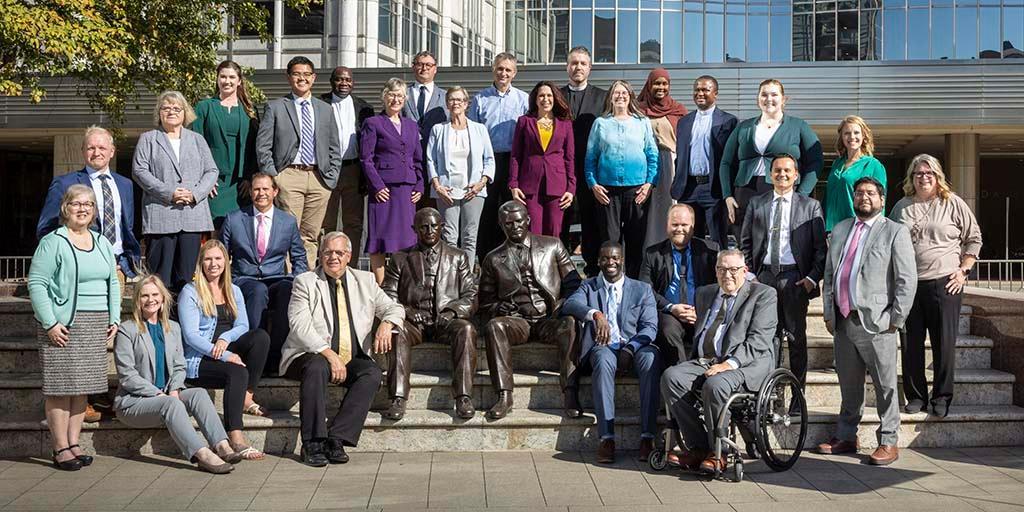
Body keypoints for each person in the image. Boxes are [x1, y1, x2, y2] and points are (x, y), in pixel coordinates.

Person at [281, 232, 405, 467]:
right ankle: (313, 443)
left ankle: (336, 439)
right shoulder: (305, 282)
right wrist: (329, 354)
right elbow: (299, 326)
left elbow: (394, 308)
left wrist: (387, 324)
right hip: (309, 353)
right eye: (328, 252)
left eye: (339, 253)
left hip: (351, 355)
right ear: (320, 255)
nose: (333, 257)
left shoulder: (366, 281)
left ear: (349, 256)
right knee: (317, 366)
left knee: (372, 373)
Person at [817, 176, 916, 466]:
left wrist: (895, 319)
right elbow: (829, 275)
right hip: (844, 320)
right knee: (849, 385)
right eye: (859, 193)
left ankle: (888, 440)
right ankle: (847, 436)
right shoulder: (841, 228)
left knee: (885, 386)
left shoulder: (894, 232)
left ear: (881, 199)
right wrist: (828, 312)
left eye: (870, 193)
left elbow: (906, 280)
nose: (864, 197)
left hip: (877, 323)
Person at [660, 249, 778, 473]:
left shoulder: (764, 295)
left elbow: (759, 341)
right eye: (722, 269)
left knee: (716, 385)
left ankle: (719, 453)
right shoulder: (705, 293)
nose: (728, 275)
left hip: (746, 363)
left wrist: (728, 364)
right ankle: (699, 447)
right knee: (671, 378)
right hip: (708, 360)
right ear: (715, 271)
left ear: (745, 271)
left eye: (734, 270)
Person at [29, 184, 120, 471]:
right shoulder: (53, 241)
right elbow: (37, 284)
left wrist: (114, 318)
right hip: (63, 324)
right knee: (60, 389)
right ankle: (59, 448)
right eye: (76, 204)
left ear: (94, 211)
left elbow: (113, 282)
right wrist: (50, 323)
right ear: (65, 208)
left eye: (88, 205)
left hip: (95, 324)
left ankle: (74, 443)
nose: (82, 209)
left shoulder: (101, 241)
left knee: (82, 389)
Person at [114, 275, 243, 474]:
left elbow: (179, 366)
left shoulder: (173, 328)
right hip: (134, 402)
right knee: (171, 403)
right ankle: (202, 454)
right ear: (137, 300)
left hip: (166, 395)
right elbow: (127, 375)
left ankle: (222, 446)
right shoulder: (127, 330)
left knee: (198, 393)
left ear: (163, 298)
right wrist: (159, 394)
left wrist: (174, 388)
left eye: (155, 294)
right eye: (145, 296)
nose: (151, 300)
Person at [890, 154, 981, 417]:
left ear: (938, 176)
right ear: (911, 177)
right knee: (910, 343)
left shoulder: (952, 203)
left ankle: (942, 397)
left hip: (945, 284)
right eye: (918, 173)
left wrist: (964, 270)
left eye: (929, 173)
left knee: (943, 344)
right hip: (908, 285)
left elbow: (974, 238)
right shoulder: (901, 207)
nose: (924, 177)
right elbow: (889, 243)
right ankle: (916, 396)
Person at [479, 201, 582, 419]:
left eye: (518, 221)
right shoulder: (493, 258)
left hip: (550, 317)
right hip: (518, 321)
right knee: (494, 326)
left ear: (528, 220)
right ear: (500, 225)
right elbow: (484, 302)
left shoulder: (553, 245)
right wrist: (499, 306)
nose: (514, 226)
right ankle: (504, 395)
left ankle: (571, 391)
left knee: (571, 324)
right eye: (508, 223)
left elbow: (573, 284)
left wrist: (563, 304)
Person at [739, 154, 826, 407]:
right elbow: (745, 242)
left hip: (794, 279)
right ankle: (769, 398)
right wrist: (751, 275)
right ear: (770, 174)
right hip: (763, 278)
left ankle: (797, 400)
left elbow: (821, 249)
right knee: (767, 340)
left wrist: (811, 278)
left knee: (796, 340)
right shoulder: (758, 203)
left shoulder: (810, 206)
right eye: (777, 170)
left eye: (788, 170)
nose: (782, 174)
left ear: (796, 175)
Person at [562, 242, 660, 464]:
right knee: (603, 359)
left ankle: (647, 437)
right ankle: (606, 438)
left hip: (636, 346)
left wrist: (630, 348)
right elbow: (570, 304)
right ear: (598, 262)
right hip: (605, 347)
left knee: (650, 359)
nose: (610, 263)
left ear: (622, 260)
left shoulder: (641, 289)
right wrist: (596, 314)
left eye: (615, 258)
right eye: (605, 259)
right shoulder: (589, 286)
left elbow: (650, 327)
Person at [381, 208, 479, 420]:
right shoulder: (400, 258)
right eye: (424, 226)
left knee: (467, 329)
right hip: (414, 324)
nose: (430, 230)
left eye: (434, 225)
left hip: (446, 323)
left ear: (442, 227)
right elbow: (387, 295)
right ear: (414, 229)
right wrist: (407, 311)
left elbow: (471, 295)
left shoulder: (458, 257)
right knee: (397, 331)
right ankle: (397, 397)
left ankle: (463, 396)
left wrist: (453, 311)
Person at [178, 240, 270, 460]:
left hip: (222, 348)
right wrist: (225, 354)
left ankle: (247, 396)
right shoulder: (190, 292)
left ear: (226, 262)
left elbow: (243, 326)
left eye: (218, 258)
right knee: (238, 371)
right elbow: (191, 337)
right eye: (208, 259)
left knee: (260, 337)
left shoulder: (233, 289)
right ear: (201, 263)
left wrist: (224, 340)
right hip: (200, 360)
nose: (213, 264)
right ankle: (236, 438)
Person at [255, 56, 342, 269]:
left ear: (313, 78)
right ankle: (287, 284)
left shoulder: (325, 109)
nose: (301, 78)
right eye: (296, 74)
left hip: (318, 178)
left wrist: (330, 178)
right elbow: (263, 146)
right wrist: (275, 176)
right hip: (288, 176)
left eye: (306, 74)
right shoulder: (275, 107)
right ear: (289, 77)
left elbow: (334, 146)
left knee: (311, 236)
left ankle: (306, 281)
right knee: (287, 233)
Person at [221, 172, 307, 374]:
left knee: (287, 289)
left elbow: (299, 257)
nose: (261, 193)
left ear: (275, 191)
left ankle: (275, 356)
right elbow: (222, 256)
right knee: (258, 290)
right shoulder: (234, 219)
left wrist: (298, 280)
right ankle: (253, 350)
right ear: (250, 193)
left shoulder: (287, 222)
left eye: (266, 189)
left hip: (277, 277)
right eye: (257, 189)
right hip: (245, 278)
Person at [132, 90, 219, 292]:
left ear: (185, 112)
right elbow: (139, 171)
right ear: (159, 113)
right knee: (160, 280)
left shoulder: (197, 139)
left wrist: (196, 193)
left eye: (176, 108)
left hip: (192, 218)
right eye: (166, 107)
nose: (171, 111)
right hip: (161, 217)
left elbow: (211, 170)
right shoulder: (149, 139)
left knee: (188, 280)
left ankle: (184, 321)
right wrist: (169, 192)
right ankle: (162, 322)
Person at [720, 79, 823, 243]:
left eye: (774, 94)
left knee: (779, 240)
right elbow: (725, 162)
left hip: (782, 190)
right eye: (764, 95)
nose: (769, 99)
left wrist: (801, 195)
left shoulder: (799, 126)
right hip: (745, 192)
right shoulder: (744, 127)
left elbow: (816, 161)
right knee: (746, 242)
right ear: (758, 99)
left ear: (784, 99)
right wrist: (728, 196)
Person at [37, 126, 142, 278]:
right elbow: (46, 229)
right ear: (83, 151)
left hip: (118, 267)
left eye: (102, 148)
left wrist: (126, 262)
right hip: (79, 266)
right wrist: (66, 259)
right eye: (90, 148)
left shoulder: (125, 184)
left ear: (112, 151)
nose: (96, 153)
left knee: (115, 303)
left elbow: (128, 227)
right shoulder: (64, 183)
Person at [584, 79, 660, 278]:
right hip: (607, 192)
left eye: (624, 93)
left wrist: (649, 184)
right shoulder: (601, 123)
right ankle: (611, 280)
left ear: (630, 97)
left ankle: (634, 281)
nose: (620, 96)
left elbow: (653, 155)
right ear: (610, 97)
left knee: (636, 239)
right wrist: (593, 185)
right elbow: (590, 158)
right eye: (616, 93)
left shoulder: (642, 122)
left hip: (637, 191)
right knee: (610, 239)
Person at [360, 78, 424, 283]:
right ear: (384, 97)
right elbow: (366, 159)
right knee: (379, 239)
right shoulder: (372, 123)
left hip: (407, 191)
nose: (395, 99)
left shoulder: (412, 126)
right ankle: (381, 287)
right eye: (392, 94)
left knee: (406, 240)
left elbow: (418, 159)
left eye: (400, 96)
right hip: (383, 191)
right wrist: (377, 186)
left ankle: (402, 285)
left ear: (405, 100)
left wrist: (420, 185)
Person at [639, 204, 718, 367]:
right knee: (668, 331)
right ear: (667, 225)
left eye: (684, 225)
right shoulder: (653, 253)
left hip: (702, 311)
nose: (679, 229)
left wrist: (702, 309)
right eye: (675, 224)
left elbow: (719, 285)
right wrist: (671, 307)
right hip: (670, 312)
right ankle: (681, 375)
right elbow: (645, 289)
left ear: (693, 226)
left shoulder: (710, 250)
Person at [469, 52, 530, 260]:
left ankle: (514, 258)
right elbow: (472, 134)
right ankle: (486, 260)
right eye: (500, 68)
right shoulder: (479, 99)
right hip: (487, 161)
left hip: (513, 160)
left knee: (512, 210)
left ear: (514, 73)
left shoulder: (524, 99)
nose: (503, 73)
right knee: (487, 211)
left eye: (508, 69)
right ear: (493, 69)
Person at [426, 86, 495, 267]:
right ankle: (450, 277)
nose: (455, 103)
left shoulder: (479, 129)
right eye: (451, 99)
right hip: (446, 191)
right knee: (449, 236)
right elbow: (430, 160)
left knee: (470, 237)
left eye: (459, 100)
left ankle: (467, 279)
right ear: (447, 104)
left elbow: (489, 159)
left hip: (473, 190)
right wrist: (437, 186)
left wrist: (482, 182)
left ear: (466, 104)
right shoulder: (438, 130)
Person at [670, 76, 738, 245]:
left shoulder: (729, 121)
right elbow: (681, 155)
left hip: (713, 188)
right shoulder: (684, 122)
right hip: (688, 189)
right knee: (690, 239)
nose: (700, 93)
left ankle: (717, 271)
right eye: (697, 89)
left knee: (717, 240)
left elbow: (732, 160)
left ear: (715, 94)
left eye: (705, 90)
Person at [191, 60, 259, 228]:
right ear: (217, 79)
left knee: (241, 232)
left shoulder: (250, 111)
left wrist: (250, 178)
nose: (227, 81)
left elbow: (255, 148)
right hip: (215, 183)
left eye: (231, 77)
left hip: (242, 185)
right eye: (223, 77)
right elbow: (194, 144)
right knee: (217, 230)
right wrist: (205, 179)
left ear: (239, 81)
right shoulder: (204, 107)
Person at [560, 46, 607, 276]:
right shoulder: (554, 95)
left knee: (592, 223)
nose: (577, 67)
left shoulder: (603, 96)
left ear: (590, 67)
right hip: (560, 170)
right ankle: (558, 273)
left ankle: (592, 273)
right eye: (573, 63)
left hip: (592, 170)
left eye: (582, 63)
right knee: (561, 221)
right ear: (567, 66)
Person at [320, 66, 375, 263]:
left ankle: (349, 265)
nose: (344, 83)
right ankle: (327, 263)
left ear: (353, 82)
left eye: (348, 80)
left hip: (354, 169)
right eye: (339, 79)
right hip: (327, 170)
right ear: (331, 81)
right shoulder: (319, 103)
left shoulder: (364, 108)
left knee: (354, 222)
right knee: (327, 221)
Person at [509, 81, 575, 237]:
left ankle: (552, 262)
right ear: (535, 99)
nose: (546, 99)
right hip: (530, 186)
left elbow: (569, 158)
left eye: (549, 95)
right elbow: (516, 155)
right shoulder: (524, 121)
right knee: (533, 232)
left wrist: (571, 189)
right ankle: (533, 262)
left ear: (555, 98)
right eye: (542, 95)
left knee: (554, 231)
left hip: (557, 185)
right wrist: (513, 184)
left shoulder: (565, 124)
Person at [636, 68, 688, 249]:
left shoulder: (678, 110)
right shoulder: (638, 109)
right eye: (657, 83)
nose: (661, 87)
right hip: (642, 165)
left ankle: (667, 251)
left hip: (669, 164)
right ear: (649, 85)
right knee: (645, 212)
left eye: (664, 83)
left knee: (666, 210)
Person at [825, 115, 888, 232]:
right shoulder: (837, 164)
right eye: (847, 133)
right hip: (832, 230)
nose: (852, 137)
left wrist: (875, 232)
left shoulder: (873, 165)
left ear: (863, 136)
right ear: (842, 137)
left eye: (856, 133)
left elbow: (880, 203)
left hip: (858, 229)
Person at [401, 51, 449, 173]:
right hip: (407, 159)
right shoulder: (401, 94)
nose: (424, 68)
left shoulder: (446, 97)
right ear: (413, 67)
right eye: (420, 64)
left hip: (436, 160)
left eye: (429, 65)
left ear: (435, 69)